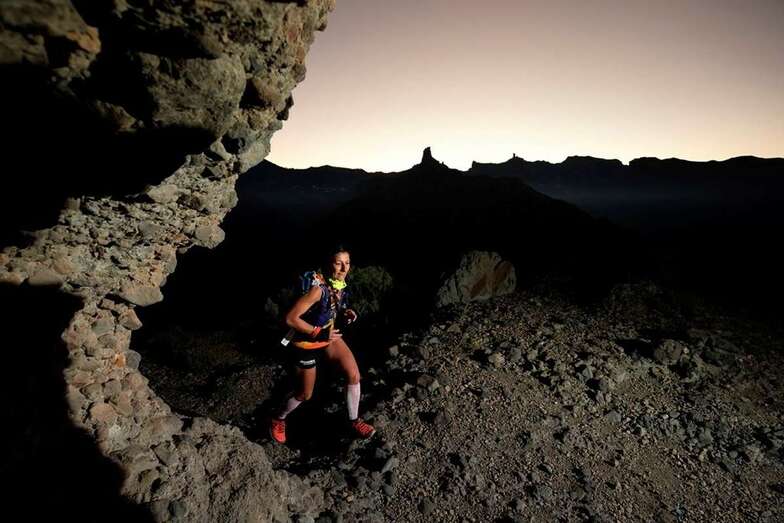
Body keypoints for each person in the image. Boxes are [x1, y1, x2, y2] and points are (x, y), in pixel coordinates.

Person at [269, 247, 376, 443]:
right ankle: (278, 418)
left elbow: (334, 308)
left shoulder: (339, 285)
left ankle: (354, 420)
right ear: (329, 264)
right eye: (338, 263)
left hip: (327, 338)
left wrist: (348, 312)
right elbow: (291, 319)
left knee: (353, 375)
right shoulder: (318, 289)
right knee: (304, 394)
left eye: (347, 263)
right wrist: (318, 332)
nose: (344, 268)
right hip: (306, 343)